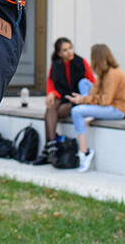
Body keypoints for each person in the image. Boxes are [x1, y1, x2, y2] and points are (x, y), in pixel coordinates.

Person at [65, 44, 125, 172]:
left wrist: (83, 101)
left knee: (76, 111)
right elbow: (94, 93)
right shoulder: (104, 73)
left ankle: (84, 151)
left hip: (116, 109)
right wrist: (84, 99)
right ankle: (89, 113)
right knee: (83, 83)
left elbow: (105, 100)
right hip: (106, 105)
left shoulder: (113, 74)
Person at [33, 37, 96, 165]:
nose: (69, 52)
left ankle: (48, 148)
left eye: (70, 48)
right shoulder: (56, 65)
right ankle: (52, 146)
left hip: (76, 100)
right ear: (59, 53)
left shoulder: (81, 62)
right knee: (51, 106)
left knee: (50, 113)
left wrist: (85, 98)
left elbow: (92, 83)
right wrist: (50, 93)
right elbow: (51, 82)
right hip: (61, 97)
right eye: (65, 50)